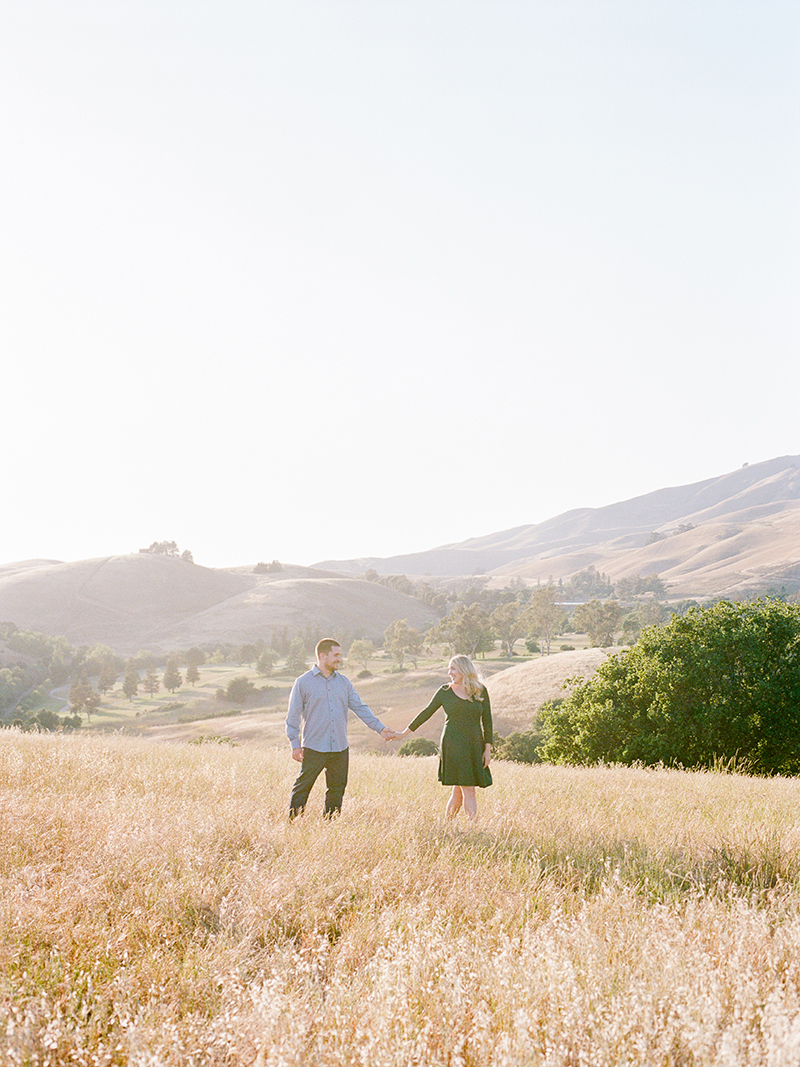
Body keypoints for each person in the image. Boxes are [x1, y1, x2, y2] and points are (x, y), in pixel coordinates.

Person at [285, 638, 398, 818]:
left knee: (337, 790)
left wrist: (381, 728)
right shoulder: (303, 682)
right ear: (323, 656)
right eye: (336, 655)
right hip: (314, 747)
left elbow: (360, 708)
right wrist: (295, 744)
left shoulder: (344, 682)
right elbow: (293, 716)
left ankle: (330, 825)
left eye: (340, 655)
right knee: (303, 788)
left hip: (340, 747)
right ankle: (293, 824)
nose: (339, 659)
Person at [399, 654, 493, 822]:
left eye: (453, 668)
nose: (449, 672)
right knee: (469, 790)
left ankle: (446, 825)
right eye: (449, 668)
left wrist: (487, 749)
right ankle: (476, 829)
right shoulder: (444, 692)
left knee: (458, 790)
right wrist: (404, 733)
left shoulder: (480, 690)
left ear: (464, 670)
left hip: (474, 745)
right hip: (453, 745)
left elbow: (487, 721)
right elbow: (426, 713)